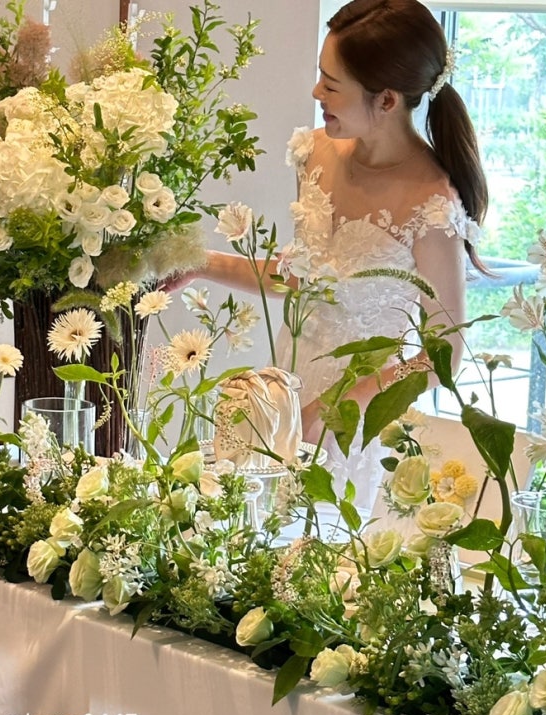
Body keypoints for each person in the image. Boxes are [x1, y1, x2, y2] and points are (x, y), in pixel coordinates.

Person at [169, 0, 488, 516]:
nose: (317, 93)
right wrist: (200, 262)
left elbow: (443, 355)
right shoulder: (313, 152)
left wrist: (337, 407)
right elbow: (304, 280)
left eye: (332, 85)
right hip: (283, 393)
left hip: (358, 419)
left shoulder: (431, 205)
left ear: (387, 100)